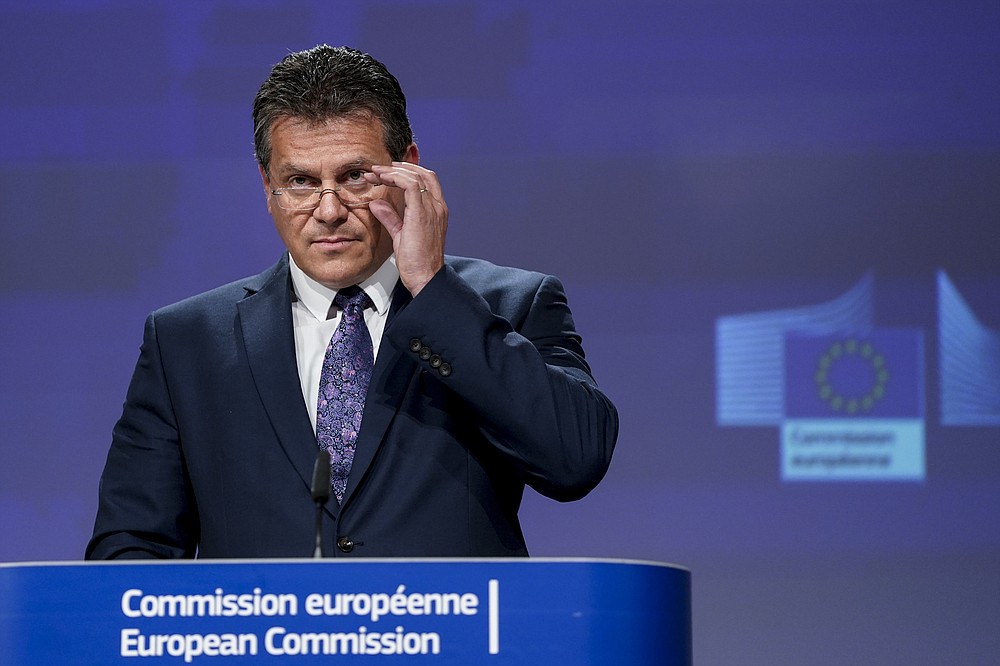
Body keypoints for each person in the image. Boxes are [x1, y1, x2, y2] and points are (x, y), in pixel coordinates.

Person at [86, 45, 618, 559]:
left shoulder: (512, 303)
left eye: (354, 177)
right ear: (266, 184)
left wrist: (433, 291)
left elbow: (575, 460)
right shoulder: (187, 340)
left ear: (409, 169)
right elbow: (132, 549)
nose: (329, 210)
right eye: (300, 181)